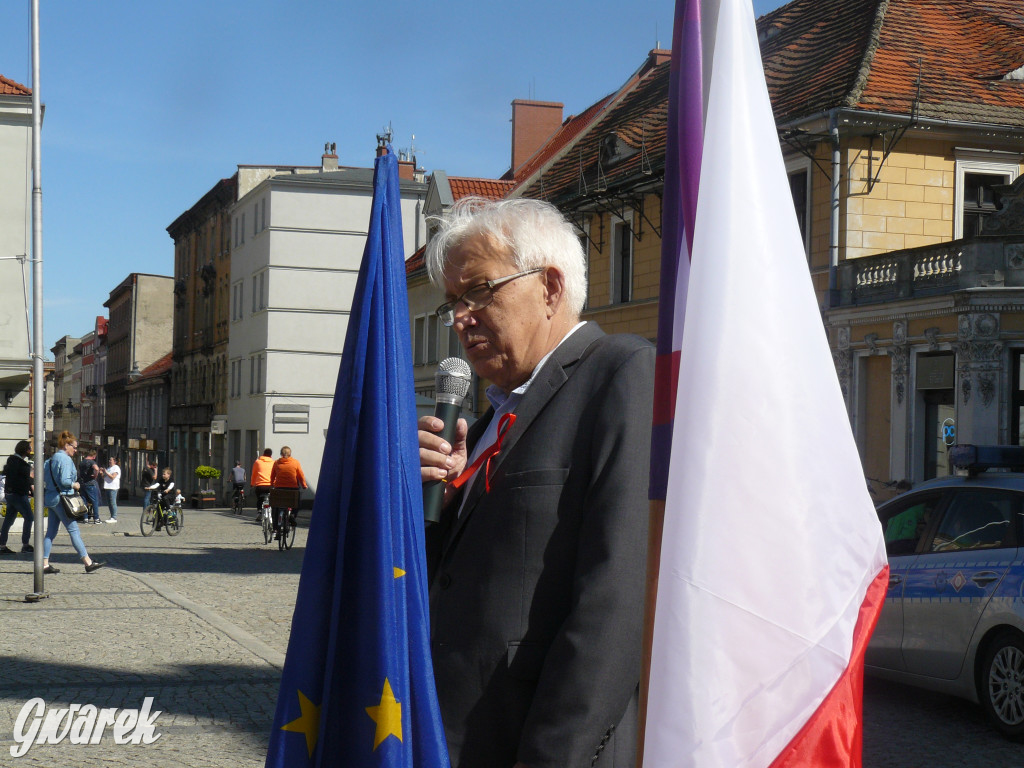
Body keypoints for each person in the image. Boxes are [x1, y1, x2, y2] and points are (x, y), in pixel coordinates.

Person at [418, 198, 653, 768]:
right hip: (453, 737)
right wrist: (436, 503)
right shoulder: (487, 420)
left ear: (549, 286)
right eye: (453, 302)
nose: (460, 318)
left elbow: (615, 600)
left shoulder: (620, 372)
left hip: (532, 744)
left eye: (478, 291)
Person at [42, 431, 104, 574]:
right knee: (74, 530)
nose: (75, 451)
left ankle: (44, 564)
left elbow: (45, 477)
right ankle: (87, 562)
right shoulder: (65, 460)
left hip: (51, 498)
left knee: (51, 532)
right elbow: (64, 481)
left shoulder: (50, 460)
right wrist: (74, 485)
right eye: (74, 447)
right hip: (63, 499)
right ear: (66, 445)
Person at [0, 440, 34, 554]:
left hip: (10, 494)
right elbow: (22, 480)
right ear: (25, 450)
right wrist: (27, 488)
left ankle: (2, 545)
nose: (31, 450)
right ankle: (25, 545)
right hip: (18, 495)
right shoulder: (20, 464)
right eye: (29, 448)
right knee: (29, 517)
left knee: (9, 519)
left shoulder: (12, 461)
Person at [269, 446, 307, 537]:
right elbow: (300, 475)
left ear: (281, 454)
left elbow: (272, 475)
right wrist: (304, 485)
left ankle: (275, 528)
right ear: (290, 454)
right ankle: (293, 515)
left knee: (276, 507)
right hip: (292, 489)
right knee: (297, 503)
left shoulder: (277, 463)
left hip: (279, 489)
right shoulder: (295, 462)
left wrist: (271, 484)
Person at [78, 447, 101, 524]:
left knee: (84, 501)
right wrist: (95, 475)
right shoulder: (91, 462)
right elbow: (97, 469)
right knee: (94, 501)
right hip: (90, 483)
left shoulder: (82, 462)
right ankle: (96, 518)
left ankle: (85, 518)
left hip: (82, 483)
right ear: (93, 455)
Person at [251, 448, 274, 522]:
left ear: (263, 454)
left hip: (260, 486)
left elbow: (254, 474)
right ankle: (272, 513)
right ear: (271, 455)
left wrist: (252, 484)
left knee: (259, 499)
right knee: (272, 499)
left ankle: (259, 511)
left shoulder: (258, 462)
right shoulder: (274, 462)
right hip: (271, 485)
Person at [99, 455, 120, 523]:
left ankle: (114, 517)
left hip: (113, 487)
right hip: (107, 486)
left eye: (111, 460)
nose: (109, 461)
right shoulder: (109, 468)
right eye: (109, 460)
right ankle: (111, 516)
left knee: (113, 502)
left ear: (114, 461)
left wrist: (106, 472)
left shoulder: (116, 468)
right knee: (109, 502)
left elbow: (112, 477)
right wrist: (102, 473)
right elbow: (104, 477)